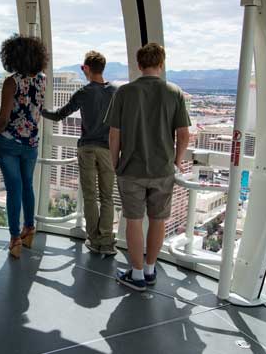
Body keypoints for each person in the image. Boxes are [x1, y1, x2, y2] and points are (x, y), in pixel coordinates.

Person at [105, 43, 190, 291]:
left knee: (133, 221)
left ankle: (137, 274)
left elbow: (114, 134)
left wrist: (115, 162)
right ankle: (151, 270)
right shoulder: (175, 92)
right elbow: (184, 135)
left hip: (131, 169)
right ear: (161, 64)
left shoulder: (124, 93)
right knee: (158, 220)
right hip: (163, 170)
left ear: (139, 65)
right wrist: (176, 162)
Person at [41, 51, 117, 256]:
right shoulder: (115, 92)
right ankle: (107, 240)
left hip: (87, 148)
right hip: (108, 149)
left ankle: (94, 239)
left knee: (91, 196)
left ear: (86, 68)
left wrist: (40, 110)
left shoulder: (84, 92)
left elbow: (58, 116)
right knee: (107, 196)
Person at [0, 35, 48, 259]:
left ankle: (15, 238)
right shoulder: (42, 80)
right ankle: (29, 229)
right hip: (31, 143)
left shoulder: (11, 82)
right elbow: (37, 112)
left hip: (9, 142)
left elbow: (3, 117)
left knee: (13, 188)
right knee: (27, 186)